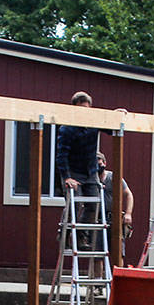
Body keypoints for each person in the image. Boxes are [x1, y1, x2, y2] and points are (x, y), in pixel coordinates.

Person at [55, 92, 101, 249]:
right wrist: (67, 177)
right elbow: (61, 156)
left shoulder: (93, 125)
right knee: (75, 203)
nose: (84, 113)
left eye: (86, 109)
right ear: (73, 109)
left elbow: (111, 128)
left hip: (90, 172)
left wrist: (117, 115)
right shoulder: (67, 129)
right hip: (72, 172)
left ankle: (81, 236)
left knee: (94, 206)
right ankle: (64, 233)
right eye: (80, 109)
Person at [97, 151, 133, 242]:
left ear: (105, 163)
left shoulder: (114, 177)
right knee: (98, 251)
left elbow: (129, 195)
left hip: (114, 219)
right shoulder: (90, 180)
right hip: (97, 220)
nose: (97, 167)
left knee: (118, 251)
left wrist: (128, 213)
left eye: (99, 163)